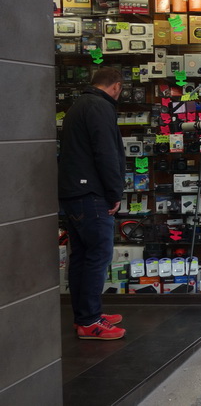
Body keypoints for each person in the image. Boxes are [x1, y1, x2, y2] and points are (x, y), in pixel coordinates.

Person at [58, 67, 126, 340]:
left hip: (75, 194)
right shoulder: (100, 107)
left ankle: (86, 314)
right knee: (97, 257)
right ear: (116, 86)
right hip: (92, 196)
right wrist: (115, 193)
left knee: (83, 258)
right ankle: (90, 321)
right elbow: (106, 153)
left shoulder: (79, 105)